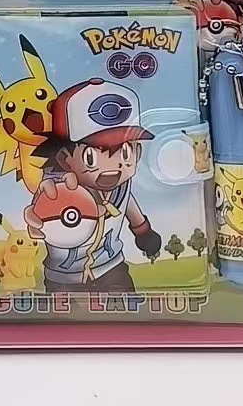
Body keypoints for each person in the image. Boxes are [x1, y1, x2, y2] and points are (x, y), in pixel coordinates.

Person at [24, 79, 161, 293]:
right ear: (63, 157)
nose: (113, 167)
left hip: (111, 268)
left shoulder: (122, 186)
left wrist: (144, 232)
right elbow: (41, 215)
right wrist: (38, 219)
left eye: (125, 153)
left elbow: (129, 205)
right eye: (91, 157)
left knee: (127, 309)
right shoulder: (58, 190)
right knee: (64, 315)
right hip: (65, 278)